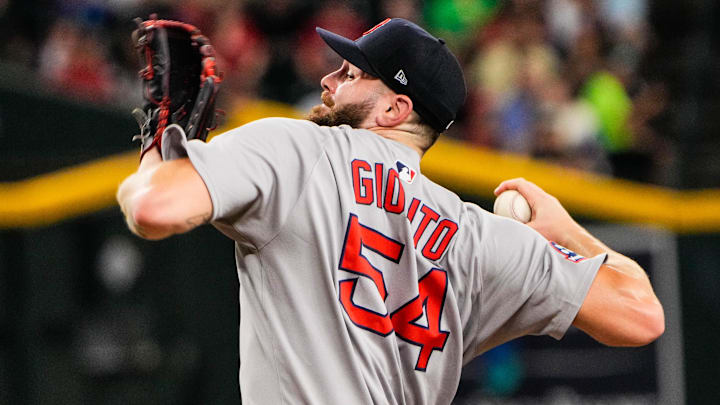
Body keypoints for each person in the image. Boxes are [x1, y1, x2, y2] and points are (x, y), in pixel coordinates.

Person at [116, 18, 664, 404]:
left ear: (394, 108)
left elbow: (155, 208)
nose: (330, 80)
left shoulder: (300, 148)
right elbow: (641, 315)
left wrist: (159, 145)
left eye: (352, 74)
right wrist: (566, 228)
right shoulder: (478, 237)